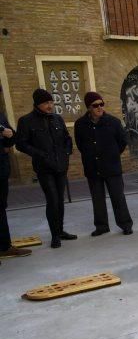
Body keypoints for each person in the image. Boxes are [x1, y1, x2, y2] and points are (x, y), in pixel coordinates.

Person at [16, 89, 77, 248]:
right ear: (37, 104)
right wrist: (40, 154)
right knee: (52, 200)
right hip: (44, 168)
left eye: (51, 102)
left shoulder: (57, 119)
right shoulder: (26, 121)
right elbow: (21, 144)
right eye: (46, 103)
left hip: (61, 166)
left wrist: (67, 152)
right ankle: (55, 235)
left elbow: (67, 138)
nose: (49, 106)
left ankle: (61, 230)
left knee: (60, 200)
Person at [74, 91, 133, 236]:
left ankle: (125, 224)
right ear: (89, 107)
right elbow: (80, 144)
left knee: (118, 197)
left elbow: (122, 141)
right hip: (92, 168)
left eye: (101, 104)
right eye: (95, 106)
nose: (100, 108)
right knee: (97, 199)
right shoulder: (81, 124)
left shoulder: (113, 122)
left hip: (112, 167)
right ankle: (101, 226)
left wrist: (112, 155)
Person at [0, 112, 32, 262]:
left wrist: (6, 139)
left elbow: (12, 136)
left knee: (1, 207)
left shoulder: (0, 115)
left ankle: (4, 247)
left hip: (1, 168)